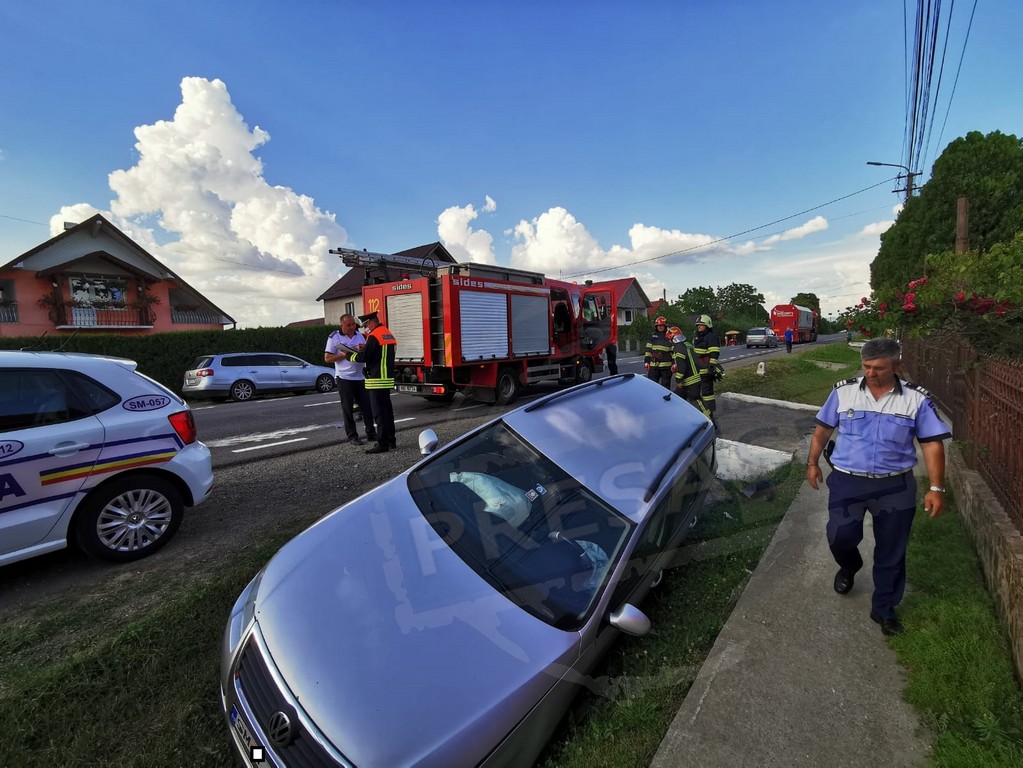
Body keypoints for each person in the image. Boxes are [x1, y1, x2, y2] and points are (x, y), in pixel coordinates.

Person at [806, 338, 950, 637]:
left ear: (896, 366)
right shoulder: (843, 392)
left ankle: (884, 609)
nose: (871, 373)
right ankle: (849, 566)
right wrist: (812, 462)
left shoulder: (915, 400)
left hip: (895, 486)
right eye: (867, 366)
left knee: (892, 550)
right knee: (840, 536)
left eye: (879, 368)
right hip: (848, 481)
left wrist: (936, 488)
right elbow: (822, 430)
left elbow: (933, 445)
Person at [324, 313, 377, 445]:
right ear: (342, 325)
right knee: (348, 409)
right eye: (349, 325)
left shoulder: (359, 335)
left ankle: (371, 433)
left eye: (353, 324)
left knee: (367, 407)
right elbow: (327, 358)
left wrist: (363, 349)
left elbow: (365, 353)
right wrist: (343, 354)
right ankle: (352, 436)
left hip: (360, 377)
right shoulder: (334, 337)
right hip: (344, 378)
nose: (352, 327)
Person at [350, 311, 397, 454]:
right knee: (387, 412)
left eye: (365, 326)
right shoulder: (387, 333)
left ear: (372, 323)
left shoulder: (374, 336)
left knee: (379, 414)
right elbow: (379, 353)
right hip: (386, 379)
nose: (365, 329)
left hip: (376, 380)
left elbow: (365, 357)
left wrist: (349, 356)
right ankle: (391, 440)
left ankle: (382, 444)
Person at [668, 326, 708, 416]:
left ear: (673, 338)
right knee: (677, 397)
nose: (669, 342)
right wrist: (676, 366)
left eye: (669, 339)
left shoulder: (678, 348)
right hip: (694, 377)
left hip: (691, 380)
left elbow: (682, 368)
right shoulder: (687, 344)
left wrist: (678, 380)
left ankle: (710, 420)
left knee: (697, 401)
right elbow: (689, 359)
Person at [692, 314, 722, 419]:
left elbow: (714, 353)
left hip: (706, 371)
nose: (699, 327)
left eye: (701, 325)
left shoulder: (711, 337)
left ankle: (710, 414)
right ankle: (701, 412)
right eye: (698, 325)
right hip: (697, 371)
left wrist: (711, 367)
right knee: (695, 393)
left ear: (707, 325)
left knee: (707, 394)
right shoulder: (697, 337)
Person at [644, 316, 673, 388]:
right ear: (656, 326)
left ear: (665, 326)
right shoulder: (652, 336)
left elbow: (674, 352)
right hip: (654, 365)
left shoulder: (669, 336)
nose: (660, 327)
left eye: (661, 326)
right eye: (658, 326)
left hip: (666, 366)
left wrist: (674, 363)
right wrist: (647, 361)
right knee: (652, 386)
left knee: (665, 387)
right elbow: (648, 350)